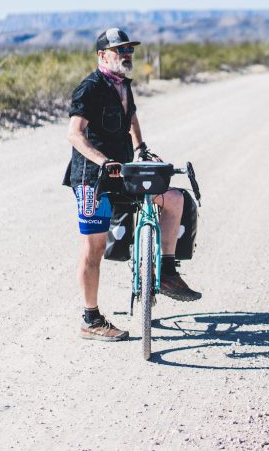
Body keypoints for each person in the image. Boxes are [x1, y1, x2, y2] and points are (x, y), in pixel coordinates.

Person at [64, 27, 201, 342]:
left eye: (129, 50)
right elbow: (74, 133)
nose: (126, 55)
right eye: (119, 50)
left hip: (126, 171)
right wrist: (102, 162)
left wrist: (140, 149)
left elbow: (132, 118)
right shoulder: (91, 87)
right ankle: (91, 319)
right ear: (102, 56)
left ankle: (166, 271)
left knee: (174, 199)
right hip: (93, 178)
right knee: (93, 246)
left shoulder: (122, 84)